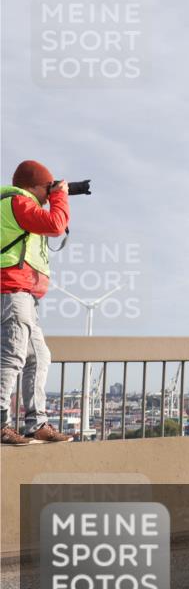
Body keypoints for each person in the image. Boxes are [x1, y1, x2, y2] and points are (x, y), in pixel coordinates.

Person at [1, 160, 72, 445]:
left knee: (39, 356)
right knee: (12, 356)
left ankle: (37, 424)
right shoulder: (17, 201)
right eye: (47, 187)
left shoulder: (19, 205)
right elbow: (56, 225)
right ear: (33, 186)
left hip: (23, 295)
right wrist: (61, 195)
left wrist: (54, 194)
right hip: (11, 290)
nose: (49, 194)